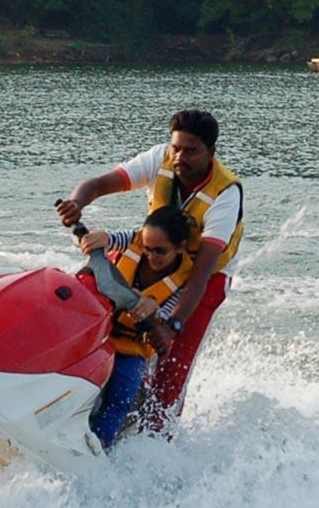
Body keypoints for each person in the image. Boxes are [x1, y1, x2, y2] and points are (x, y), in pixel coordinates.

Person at [56, 108, 243, 431]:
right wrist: (77, 203)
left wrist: (172, 325)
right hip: (151, 253)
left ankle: (157, 435)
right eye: (177, 148)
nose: (180, 157)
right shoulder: (160, 159)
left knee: (171, 360)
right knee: (90, 306)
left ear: (211, 153)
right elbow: (98, 185)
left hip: (204, 276)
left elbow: (198, 276)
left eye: (191, 151)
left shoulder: (226, 195)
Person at [79, 207, 193, 448]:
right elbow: (109, 240)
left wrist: (152, 309)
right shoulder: (134, 241)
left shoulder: (183, 283)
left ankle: (99, 443)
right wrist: (100, 239)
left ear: (180, 247)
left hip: (132, 347)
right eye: (147, 248)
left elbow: (167, 313)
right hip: (98, 328)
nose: (151, 255)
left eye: (159, 251)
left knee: (124, 389)